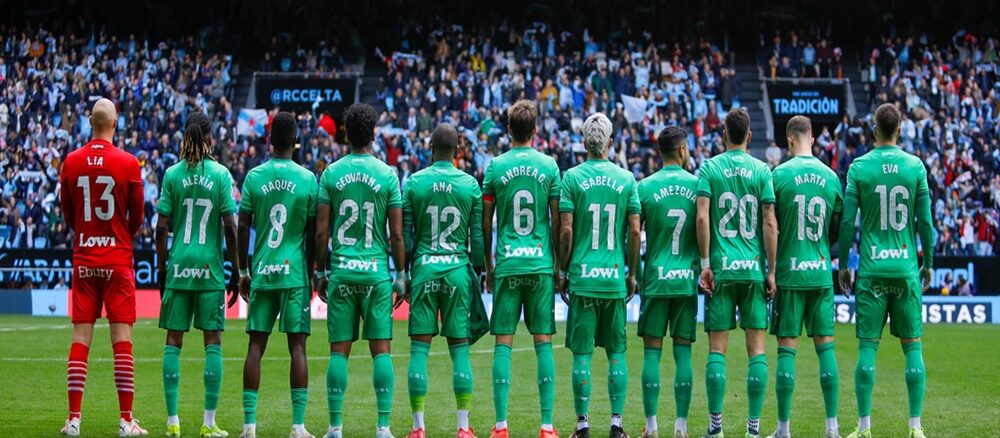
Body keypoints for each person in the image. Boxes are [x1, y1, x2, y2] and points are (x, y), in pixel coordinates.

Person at [838, 104, 935, 438]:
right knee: (913, 348)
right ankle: (916, 427)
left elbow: (848, 220)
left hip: (873, 270)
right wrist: (929, 262)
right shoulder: (915, 167)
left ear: (874, 130)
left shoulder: (860, 168)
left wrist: (843, 264)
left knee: (867, 348)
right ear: (900, 129)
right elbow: (925, 221)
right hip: (906, 268)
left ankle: (864, 427)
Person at [314, 103, 408, 438]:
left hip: (342, 271)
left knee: (339, 350)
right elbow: (396, 233)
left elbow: (322, 232)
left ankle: (335, 428)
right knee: (381, 349)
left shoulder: (331, 173)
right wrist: (401, 274)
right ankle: (383, 428)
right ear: (373, 134)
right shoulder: (387, 174)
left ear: (344, 133)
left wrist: (319, 272)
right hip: (375, 274)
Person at [59, 98, 148, 436]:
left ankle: (73, 420)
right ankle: (126, 421)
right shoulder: (128, 164)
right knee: (121, 339)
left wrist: (85, 233)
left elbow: (69, 214)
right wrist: (123, 235)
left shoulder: (71, 161)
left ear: (90, 122)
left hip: (84, 258)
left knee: (80, 337)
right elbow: (137, 216)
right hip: (117, 259)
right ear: (115, 123)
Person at [155, 112, 240, 438]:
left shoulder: (172, 175)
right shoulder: (220, 174)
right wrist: (235, 269)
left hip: (179, 267)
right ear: (209, 138)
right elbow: (230, 228)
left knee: (173, 342)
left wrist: (162, 268)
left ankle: (172, 421)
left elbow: (161, 227)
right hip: (209, 270)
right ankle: (208, 423)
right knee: (212, 343)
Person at [556, 113, 641, 438]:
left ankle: (582, 425)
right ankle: (617, 425)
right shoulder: (626, 179)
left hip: (582, 277)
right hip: (613, 279)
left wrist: (563, 270)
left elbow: (566, 229)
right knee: (616, 352)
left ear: (583, 142)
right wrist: (632, 274)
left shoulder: (572, 178)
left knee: (582, 354)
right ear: (610, 143)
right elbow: (634, 230)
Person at [696, 108, 778, 438]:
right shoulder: (762, 171)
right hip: (753, 271)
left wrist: (705, 265)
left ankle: (716, 429)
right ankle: (753, 430)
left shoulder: (710, 167)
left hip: (721, 271)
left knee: (717, 350)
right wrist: (771, 270)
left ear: (723, 135)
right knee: (756, 350)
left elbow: (702, 218)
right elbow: (770, 222)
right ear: (750, 136)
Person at [481, 100, 561, 438]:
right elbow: (557, 221)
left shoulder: (495, 167)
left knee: (503, 343)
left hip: (509, 264)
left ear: (509, 129)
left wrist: (488, 264)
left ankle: (501, 426)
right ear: (535, 130)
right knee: (543, 341)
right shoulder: (550, 166)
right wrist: (559, 265)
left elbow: (486, 223)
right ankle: (546, 426)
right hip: (541, 263)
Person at [237, 112, 319, 438]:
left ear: (269, 139)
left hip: (263, 271)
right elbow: (313, 233)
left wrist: (244, 270)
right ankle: (298, 427)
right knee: (297, 348)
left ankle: (249, 427)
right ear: (296, 141)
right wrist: (313, 272)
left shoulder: (255, 177)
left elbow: (243, 225)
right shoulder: (308, 178)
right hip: (294, 273)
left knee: (255, 346)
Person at [402, 123, 485, 438]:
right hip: (456, 272)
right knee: (459, 351)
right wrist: (476, 271)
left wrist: (406, 273)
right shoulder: (469, 185)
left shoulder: (414, 183)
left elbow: (407, 240)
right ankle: (463, 428)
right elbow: (476, 239)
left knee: (418, 352)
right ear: (458, 152)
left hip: (424, 269)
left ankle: (418, 428)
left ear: (430, 148)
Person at [765, 116, 843, 438]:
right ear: (812, 139)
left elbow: (770, 224)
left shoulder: (778, 175)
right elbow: (837, 227)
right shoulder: (831, 177)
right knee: (826, 348)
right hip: (821, 272)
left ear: (788, 141)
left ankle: (784, 429)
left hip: (789, 273)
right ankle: (832, 428)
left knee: (787, 349)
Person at [636, 126, 698, 438]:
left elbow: (633, 234)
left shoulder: (645, 187)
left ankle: (651, 427)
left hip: (656, 280)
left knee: (652, 353)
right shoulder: (698, 185)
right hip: (686, 281)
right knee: (683, 353)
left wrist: (634, 273)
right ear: (683, 150)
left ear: (660, 152)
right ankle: (681, 427)